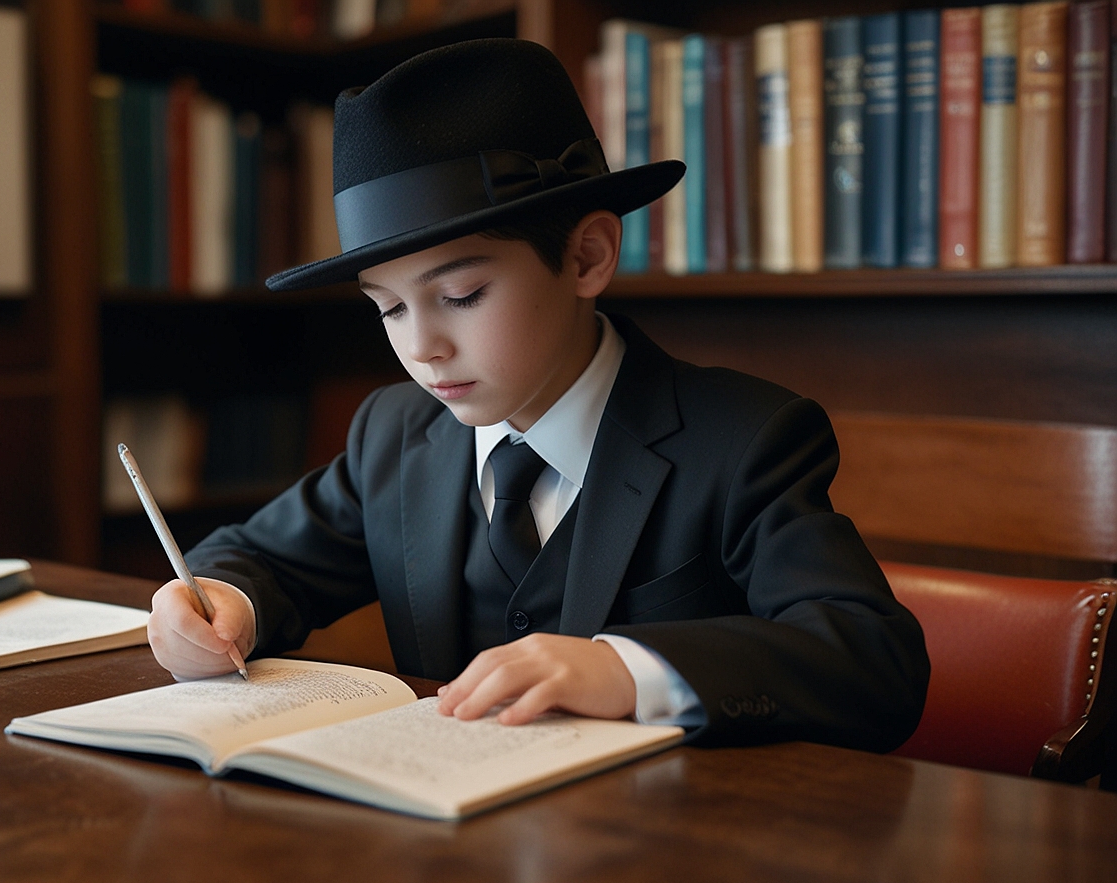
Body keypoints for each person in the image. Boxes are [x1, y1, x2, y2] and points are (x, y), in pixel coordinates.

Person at [147, 38, 929, 751]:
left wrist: (628, 671)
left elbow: (875, 659)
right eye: (387, 308)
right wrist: (219, 604)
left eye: (460, 295)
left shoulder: (743, 439)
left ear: (587, 257)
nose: (422, 347)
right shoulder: (395, 434)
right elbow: (257, 559)